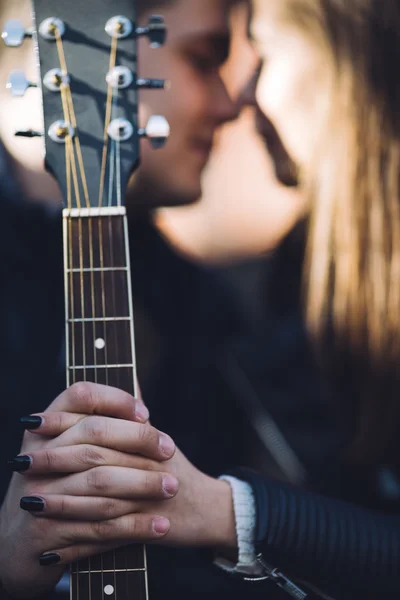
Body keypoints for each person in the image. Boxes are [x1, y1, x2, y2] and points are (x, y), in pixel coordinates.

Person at [3, 0, 400, 599]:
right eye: (206, 58)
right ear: (103, 52)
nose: (234, 103)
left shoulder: (210, 305)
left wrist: (229, 512)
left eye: (255, 59)